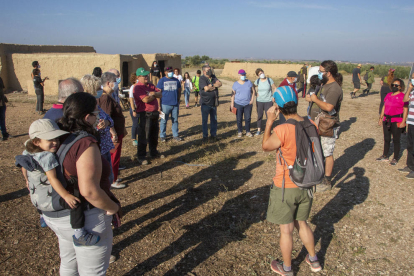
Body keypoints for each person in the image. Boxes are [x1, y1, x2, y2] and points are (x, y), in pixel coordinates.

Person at [40, 92, 121, 275]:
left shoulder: (56, 136)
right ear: (87, 117)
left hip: (58, 214)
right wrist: (113, 207)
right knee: (93, 271)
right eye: (96, 113)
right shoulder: (85, 143)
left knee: (69, 263)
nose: (98, 116)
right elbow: (89, 191)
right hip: (85, 217)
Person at [262, 88, 322, 276]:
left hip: (285, 186)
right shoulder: (311, 123)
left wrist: (270, 121)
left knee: (286, 230)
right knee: (302, 223)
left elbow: (266, 146)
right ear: (296, 102)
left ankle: (287, 269)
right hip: (307, 183)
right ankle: (314, 260)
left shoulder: (282, 129)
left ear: (278, 107)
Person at [18, 118, 103, 246]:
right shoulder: (47, 156)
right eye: (50, 140)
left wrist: (26, 180)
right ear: (36, 141)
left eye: (57, 139)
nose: (55, 143)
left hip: (37, 200)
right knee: (75, 204)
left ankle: (42, 217)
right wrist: (66, 195)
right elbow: (53, 178)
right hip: (50, 199)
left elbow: (24, 166)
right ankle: (79, 234)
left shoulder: (27, 151)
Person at [306, 60, 343, 191]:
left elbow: (329, 106)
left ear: (329, 73)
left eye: (321, 72)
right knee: (317, 150)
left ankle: (326, 180)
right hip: (317, 122)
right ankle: (317, 175)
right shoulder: (324, 84)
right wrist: (312, 99)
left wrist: (315, 99)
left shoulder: (334, 88)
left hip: (327, 125)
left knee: (327, 152)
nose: (319, 74)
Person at [80, 75, 116, 186]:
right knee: (100, 181)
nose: (101, 90)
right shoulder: (82, 107)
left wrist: (107, 123)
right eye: (98, 88)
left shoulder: (95, 104)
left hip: (105, 147)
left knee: (108, 178)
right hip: (95, 148)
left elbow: (109, 119)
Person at [97, 72, 126, 189]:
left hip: (116, 133)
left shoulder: (107, 97)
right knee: (113, 157)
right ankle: (112, 179)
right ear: (109, 83)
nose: (117, 84)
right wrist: (113, 133)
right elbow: (106, 117)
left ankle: (113, 176)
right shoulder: (105, 98)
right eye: (115, 81)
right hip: (112, 135)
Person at [133, 67, 164, 164]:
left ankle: (153, 152)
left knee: (154, 135)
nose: (146, 77)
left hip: (154, 114)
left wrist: (153, 94)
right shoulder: (137, 87)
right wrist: (154, 95)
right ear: (138, 77)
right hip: (145, 114)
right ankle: (141, 156)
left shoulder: (150, 85)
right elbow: (145, 100)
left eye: (147, 75)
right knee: (144, 136)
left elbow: (160, 94)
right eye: (144, 76)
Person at [376, 78, 408, 165]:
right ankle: (385, 155)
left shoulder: (403, 96)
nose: (394, 87)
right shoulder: (389, 95)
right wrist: (380, 118)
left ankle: (395, 158)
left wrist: (403, 122)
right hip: (386, 119)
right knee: (386, 139)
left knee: (396, 140)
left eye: (396, 85)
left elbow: (405, 110)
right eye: (393, 85)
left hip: (397, 120)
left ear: (400, 87)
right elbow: (384, 106)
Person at [157, 67, 182, 142]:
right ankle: (162, 135)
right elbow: (158, 93)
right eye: (168, 71)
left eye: (171, 71)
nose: (170, 72)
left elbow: (179, 90)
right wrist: (158, 105)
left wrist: (178, 99)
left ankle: (175, 135)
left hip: (175, 104)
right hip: (164, 104)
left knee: (175, 120)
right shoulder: (161, 81)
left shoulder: (176, 80)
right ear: (165, 72)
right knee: (163, 120)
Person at [198, 64, 222, 143]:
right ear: (204, 71)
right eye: (208, 70)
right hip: (205, 103)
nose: (210, 71)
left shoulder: (213, 77)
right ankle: (205, 137)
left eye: (210, 69)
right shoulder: (202, 79)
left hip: (214, 103)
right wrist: (214, 85)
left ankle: (213, 135)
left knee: (214, 120)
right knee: (205, 121)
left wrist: (211, 85)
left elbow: (220, 84)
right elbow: (206, 88)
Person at [231, 69, 255, 137]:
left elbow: (253, 91)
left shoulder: (249, 82)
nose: (243, 76)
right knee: (239, 118)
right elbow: (233, 94)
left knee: (247, 118)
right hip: (238, 104)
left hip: (248, 104)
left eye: (244, 74)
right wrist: (232, 104)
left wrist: (252, 100)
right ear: (239, 75)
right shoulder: (235, 84)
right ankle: (240, 131)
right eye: (242, 75)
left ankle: (248, 131)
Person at [253, 68, 276, 135]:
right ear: (258, 75)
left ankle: (268, 129)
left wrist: (273, 96)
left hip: (268, 100)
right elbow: (252, 87)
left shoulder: (269, 80)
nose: (262, 74)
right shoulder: (257, 81)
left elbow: (275, 88)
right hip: (259, 101)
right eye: (260, 74)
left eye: (262, 72)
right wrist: (255, 94)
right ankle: (259, 129)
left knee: (268, 116)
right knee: (259, 115)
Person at [401, 73, 414, 178]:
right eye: (412, 78)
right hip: (411, 121)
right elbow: (405, 100)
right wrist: (409, 89)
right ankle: (409, 165)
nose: (412, 79)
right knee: (410, 144)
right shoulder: (412, 92)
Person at [129, 73, 139, 146]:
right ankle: (133, 139)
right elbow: (131, 100)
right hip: (135, 108)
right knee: (135, 123)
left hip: (140, 108)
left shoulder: (140, 87)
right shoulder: (132, 87)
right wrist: (133, 110)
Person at [0, 74, 10, 141]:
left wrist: (3, 97)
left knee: (2, 118)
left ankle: (4, 133)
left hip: (1, 102)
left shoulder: (0, 78)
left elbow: (1, 90)